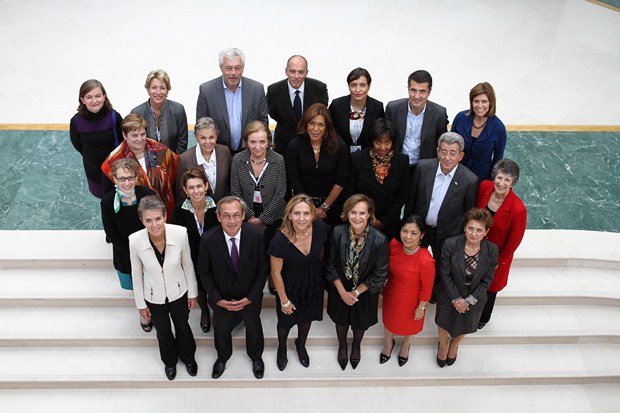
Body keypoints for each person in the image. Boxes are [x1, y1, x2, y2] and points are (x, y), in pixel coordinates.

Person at [129, 195, 198, 380]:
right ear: (141, 220)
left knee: (183, 326)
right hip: (153, 296)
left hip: (179, 292)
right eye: (148, 220)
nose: (154, 225)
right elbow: (136, 274)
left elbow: (188, 264)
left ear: (165, 216)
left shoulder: (180, 233)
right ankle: (169, 361)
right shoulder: (134, 240)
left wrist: (192, 293)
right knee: (163, 331)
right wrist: (140, 305)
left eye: (158, 218)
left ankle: (188, 357)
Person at [197, 196, 268, 379]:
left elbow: (263, 270)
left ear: (243, 215)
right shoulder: (208, 239)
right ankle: (222, 357)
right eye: (226, 216)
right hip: (221, 298)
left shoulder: (257, 236)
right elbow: (204, 272)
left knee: (253, 327)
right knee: (221, 329)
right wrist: (218, 299)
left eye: (236, 215)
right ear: (218, 217)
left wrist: (251, 297)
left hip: (250, 297)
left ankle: (256, 357)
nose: (232, 221)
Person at [405, 132, 478, 300]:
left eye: (453, 153)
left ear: (461, 156)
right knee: (414, 260)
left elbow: (468, 213)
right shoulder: (422, 167)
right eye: (444, 151)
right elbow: (411, 199)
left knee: (441, 265)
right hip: (420, 228)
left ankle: (432, 293)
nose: (447, 157)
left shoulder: (469, 180)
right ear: (438, 151)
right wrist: (409, 224)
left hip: (447, 233)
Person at [325, 194, 389, 370]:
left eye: (362, 213)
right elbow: (330, 265)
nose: (357, 217)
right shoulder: (337, 232)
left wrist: (355, 293)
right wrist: (342, 292)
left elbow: (380, 273)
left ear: (369, 214)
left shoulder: (379, 239)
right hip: (340, 287)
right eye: (353, 212)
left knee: (360, 322)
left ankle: (356, 345)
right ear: (347, 213)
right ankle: (342, 345)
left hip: (365, 291)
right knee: (341, 320)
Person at [268, 195, 331, 371]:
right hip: (289, 289)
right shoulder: (279, 240)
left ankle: (300, 345)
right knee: (285, 324)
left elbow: (322, 253)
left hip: (313, 285)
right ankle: (282, 348)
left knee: (306, 320)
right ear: (289, 215)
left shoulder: (321, 229)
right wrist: (284, 301)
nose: (301, 218)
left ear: (313, 215)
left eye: (306, 213)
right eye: (297, 213)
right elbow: (275, 273)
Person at [435, 208, 498, 367]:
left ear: (486, 232)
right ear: (464, 228)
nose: (474, 233)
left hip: (475, 296)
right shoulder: (450, 244)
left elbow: (487, 280)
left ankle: (454, 344)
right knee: (443, 321)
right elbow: (445, 274)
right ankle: (442, 344)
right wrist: (456, 299)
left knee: (465, 324)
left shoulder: (492, 250)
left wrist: (468, 301)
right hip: (449, 293)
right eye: (470, 228)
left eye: (479, 230)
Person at [231, 121, 287, 293]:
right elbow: (235, 192)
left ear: (269, 141)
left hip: (273, 215)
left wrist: (262, 219)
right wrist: (250, 217)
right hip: (247, 215)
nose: (257, 146)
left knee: (272, 253)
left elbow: (280, 193)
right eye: (253, 142)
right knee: (251, 256)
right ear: (246, 142)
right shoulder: (238, 160)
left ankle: (273, 283)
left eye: (262, 142)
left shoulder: (278, 160)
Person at [100, 158, 156, 331]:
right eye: (122, 178)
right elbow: (111, 233)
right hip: (124, 252)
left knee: (151, 282)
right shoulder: (107, 202)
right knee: (136, 285)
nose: (127, 182)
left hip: (149, 248)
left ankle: (155, 309)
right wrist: (132, 253)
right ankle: (144, 313)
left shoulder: (147, 194)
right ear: (114, 179)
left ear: (137, 177)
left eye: (130, 177)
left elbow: (156, 224)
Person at [475, 159, 526, 328]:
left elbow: (514, 241)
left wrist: (499, 261)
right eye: (499, 178)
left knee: (490, 288)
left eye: (507, 180)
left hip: (496, 256)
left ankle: (484, 317)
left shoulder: (518, 209)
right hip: (475, 247)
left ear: (513, 183)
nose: (501, 183)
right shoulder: (484, 188)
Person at [381, 215, 435, 366]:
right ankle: (388, 342)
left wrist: (421, 307)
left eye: (414, 233)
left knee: (410, 324)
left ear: (421, 235)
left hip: (412, 300)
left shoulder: (425, 260)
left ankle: (406, 344)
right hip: (392, 292)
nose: (408, 236)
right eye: (404, 231)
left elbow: (427, 287)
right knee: (389, 320)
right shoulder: (394, 245)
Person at [101, 113, 178, 217]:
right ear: (124, 135)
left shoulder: (160, 150)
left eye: (142, 134)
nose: (140, 139)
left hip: (165, 210)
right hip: (134, 215)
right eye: (134, 135)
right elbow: (109, 196)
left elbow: (176, 177)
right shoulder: (113, 161)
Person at [345, 118, 410, 240]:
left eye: (387, 142)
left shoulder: (402, 161)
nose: (383, 147)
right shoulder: (357, 159)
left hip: (390, 223)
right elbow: (350, 192)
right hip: (361, 220)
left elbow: (402, 196)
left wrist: (384, 221)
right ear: (372, 141)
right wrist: (368, 218)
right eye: (378, 142)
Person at [171, 167, 218, 334]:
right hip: (191, 257)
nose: (196, 191)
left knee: (215, 286)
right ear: (185, 190)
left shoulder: (218, 206)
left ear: (206, 186)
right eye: (191, 187)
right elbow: (175, 237)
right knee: (199, 287)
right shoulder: (178, 210)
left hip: (215, 258)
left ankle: (217, 312)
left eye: (199, 186)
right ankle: (204, 311)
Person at [286, 103, 349, 227]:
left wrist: (324, 207)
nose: (315, 129)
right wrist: (310, 208)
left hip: (332, 206)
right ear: (306, 124)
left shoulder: (339, 145)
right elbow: (294, 180)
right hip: (302, 206)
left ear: (327, 126)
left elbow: (340, 181)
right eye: (312, 123)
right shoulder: (295, 145)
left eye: (321, 124)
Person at [195, 47, 268, 153]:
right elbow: (201, 126)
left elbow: (263, 124)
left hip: (249, 153)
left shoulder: (256, 90)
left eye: (237, 68)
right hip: (217, 154)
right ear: (221, 67)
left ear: (243, 67)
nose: (233, 73)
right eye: (228, 68)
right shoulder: (207, 91)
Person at [70, 79, 123, 198]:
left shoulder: (114, 117)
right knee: (104, 199)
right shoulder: (76, 122)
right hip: (93, 171)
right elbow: (77, 144)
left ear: (104, 96)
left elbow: (123, 141)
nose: (94, 101)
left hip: (115, 170)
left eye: (98, 96)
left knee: (119, 197)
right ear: (82, 100)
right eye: (89, 97)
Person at [267, 55, 328, 156]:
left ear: (306, 72)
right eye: (292, 71)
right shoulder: (273, 90)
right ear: (286, 71)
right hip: (284, 146)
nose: (296, 76)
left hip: (312, 144)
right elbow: (273, 114)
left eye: (301, 72)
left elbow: (322, 113)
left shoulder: (319, 89)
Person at [385, 70, 448, 168]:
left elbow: (441, 145)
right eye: (413, 90)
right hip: (395, 165)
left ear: (429, 92)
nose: (417, 96)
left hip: (424, 168)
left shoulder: (439, 114)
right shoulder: (393, 108)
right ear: (408, 89)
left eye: (422, 91)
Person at [451, 82, 507, 181]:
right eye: (476, 101)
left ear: (490, 102)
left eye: (484, 101)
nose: (480, 106)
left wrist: (489, 183)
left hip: (481, 178)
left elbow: (498, 160)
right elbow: (450, 144)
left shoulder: (499, 128)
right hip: (456, 173)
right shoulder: (460, 118)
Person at [131, 69, 188, 154]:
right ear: (148, 90)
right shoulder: (137, 113)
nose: (158, 92)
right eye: (154, 88)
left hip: (174, 160)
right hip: (145, 160)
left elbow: (182, 143)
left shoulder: (178, 110)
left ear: (167, 90)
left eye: (162, 88)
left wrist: (175, 161)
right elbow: (134, 144)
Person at [176, 117, 232, 202]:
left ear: (216, 136)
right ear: (196, 137)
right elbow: (180, 192)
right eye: (203, 138)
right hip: (198, 207)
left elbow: (230, 182)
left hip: (223, 206)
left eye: (211, 137)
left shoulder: (224, 151)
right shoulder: (184, 159)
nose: (208, 142)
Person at [329, 67, 385, 152]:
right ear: (348, 86)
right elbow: (329, 132)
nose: (358, 90)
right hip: (340, 154)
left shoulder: (377, 107)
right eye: (353, 85)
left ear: (369, 86)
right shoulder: (336, 105)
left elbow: (379, 135)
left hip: (367, 156)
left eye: (362, 85)